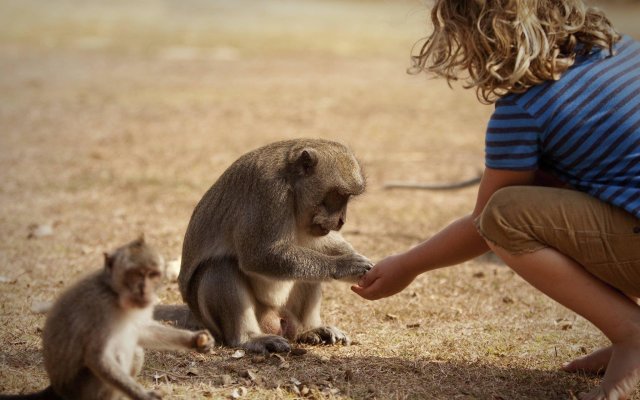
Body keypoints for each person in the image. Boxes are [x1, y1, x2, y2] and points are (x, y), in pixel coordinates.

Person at [351, 1, 640, 399]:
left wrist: (407, 265)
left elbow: (485, 224)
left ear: (479, 36)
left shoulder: (523, 108)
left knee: (506, 216)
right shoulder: (622, 50)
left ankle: (631, 334)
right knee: (573, 194)